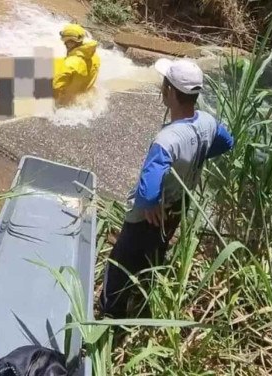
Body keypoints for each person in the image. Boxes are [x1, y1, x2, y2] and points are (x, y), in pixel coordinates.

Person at [99, 58, 235, 319]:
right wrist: (198, 153)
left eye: (164, 84)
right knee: (155, 253)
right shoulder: (206, 121)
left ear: (171, 92)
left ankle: (109, 312)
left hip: (148, 216)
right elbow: (228, 142)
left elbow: (148, 191)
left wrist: (148, 204)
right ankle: (143, 297)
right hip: (177, 207)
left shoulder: (167, 140)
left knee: (119, 263)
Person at [53, 24, 101, 106]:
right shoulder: (93, 56)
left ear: (70, 42)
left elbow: (56, 87)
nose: (65, 44)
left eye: (66, 41)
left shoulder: (69, 63)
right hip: (85, 94)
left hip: (70, 102)